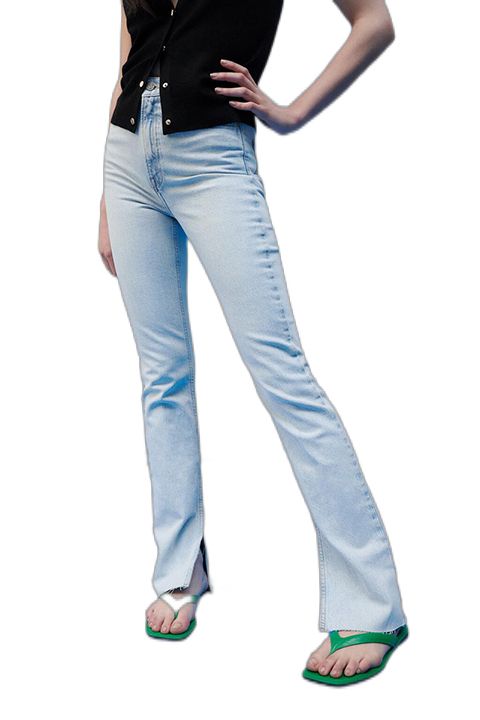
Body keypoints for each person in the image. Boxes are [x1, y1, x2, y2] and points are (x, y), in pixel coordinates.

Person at [99, 0, 408, 685]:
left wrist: (290, 113)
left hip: (214, 159)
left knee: (282, 376)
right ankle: (180, 569)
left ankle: (371, 605)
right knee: (161, 377)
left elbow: (375, 21)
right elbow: (130, 38)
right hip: (126, 157)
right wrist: (105, 194)